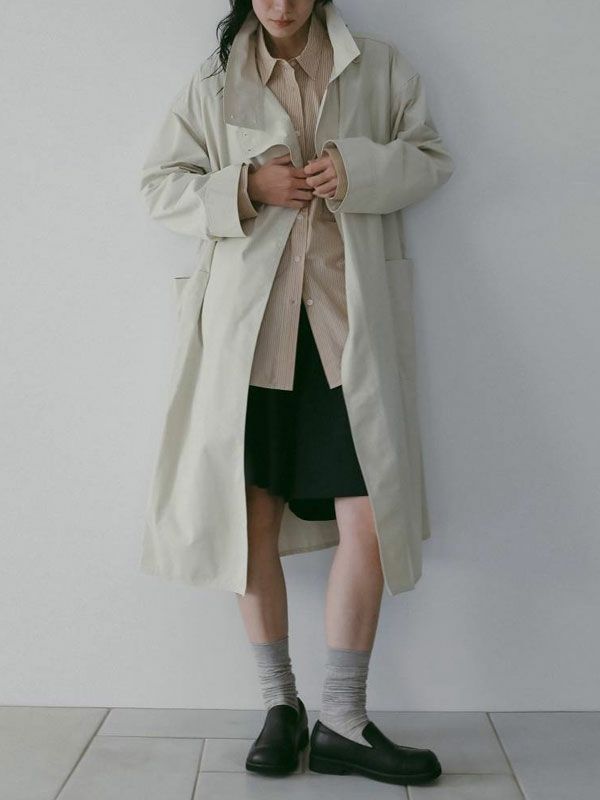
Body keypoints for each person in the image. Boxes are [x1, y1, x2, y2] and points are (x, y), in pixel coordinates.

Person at [140, 0, 454, 786]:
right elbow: (159, 186)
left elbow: (428, 157)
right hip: (252, 337)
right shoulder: (215, 82)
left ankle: (342, 717)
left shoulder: (378, 66)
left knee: (370, 516)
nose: (280, 3)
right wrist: (245, 187)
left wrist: (359, 172)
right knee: (251, 517)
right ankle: (279, 705)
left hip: (346, 333)